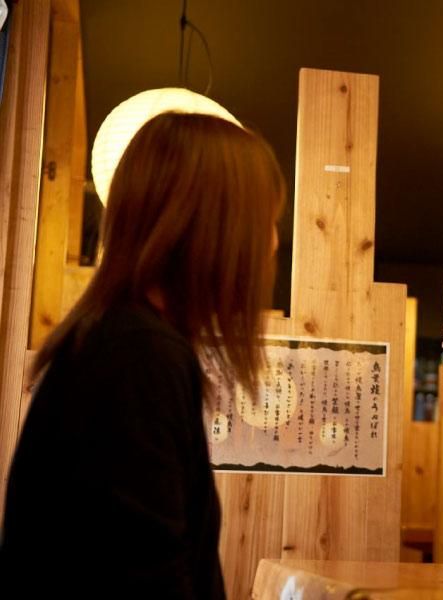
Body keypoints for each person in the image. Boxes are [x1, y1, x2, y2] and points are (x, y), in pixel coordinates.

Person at [0, 112, 285, 598]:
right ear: (208, 226)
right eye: (265, 222)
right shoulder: (137, 357)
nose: (273, 242)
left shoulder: (121, 341)